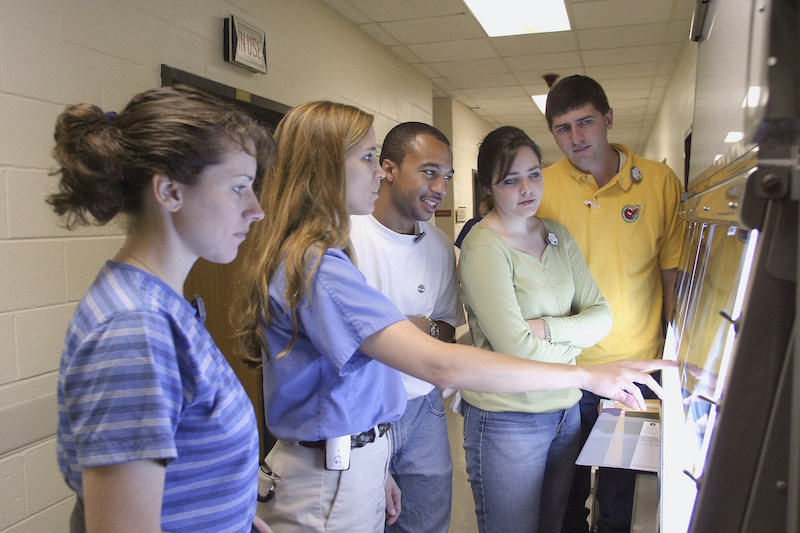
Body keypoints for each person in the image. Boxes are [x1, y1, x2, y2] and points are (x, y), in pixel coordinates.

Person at [233, 100, 671, 533]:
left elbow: (364, 378)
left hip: (354, 454)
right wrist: (586, 376)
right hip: (330, 474)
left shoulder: (326, 257)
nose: (377, 172)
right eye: (368, 158)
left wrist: (375, 461)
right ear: (323, 168)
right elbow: (443, 362)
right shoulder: (321, 268)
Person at [49, 85, 275, 533]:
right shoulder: (135, 329)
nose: (256, 211)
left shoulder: (162, 305)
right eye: (238, 189)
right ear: (169, 191)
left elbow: (184, 467)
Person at [537, 75, 685, 533]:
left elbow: (671, 270)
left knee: (620, 494)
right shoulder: (542, 188)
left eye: (585, 123)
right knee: (567, 492)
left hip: (634, 372)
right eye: (563, 128)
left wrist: (677, 349)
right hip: (569, 370)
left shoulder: (658, 182)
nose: (576, 138)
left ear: (608, 120)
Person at [458, 126, 612, 533]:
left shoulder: (556, 233)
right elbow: (515, 349)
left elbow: (603, 316)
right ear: (489, 188)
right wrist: (571, 342)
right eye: (510, 180)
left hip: (564, 411)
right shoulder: (484, 246)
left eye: (534, 174)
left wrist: (543, 327)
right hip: (510, 419)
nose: (527, 188)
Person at [350, 121, 463, 533]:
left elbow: (449, 327)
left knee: (426, 524)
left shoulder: (438, 247)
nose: (440, 188)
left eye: (447, 177)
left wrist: (424, 329)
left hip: (423, 410)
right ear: (388, 168)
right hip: (360, 410)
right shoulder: (345, 237)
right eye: (429, 172)